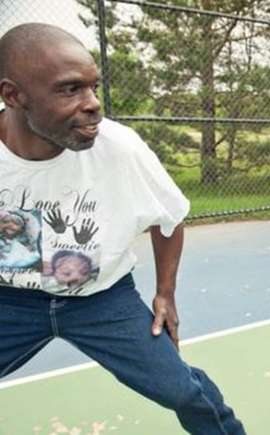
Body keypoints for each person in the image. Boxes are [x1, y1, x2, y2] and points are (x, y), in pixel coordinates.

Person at [0, 23, 245, 434]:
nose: (93, 104)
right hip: (13, 302)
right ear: (13, 95)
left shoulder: (119, 147)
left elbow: (168, 219)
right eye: (69, 89)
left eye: (93, 87)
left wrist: (165, 294)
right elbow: (22, 245)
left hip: (102, 301)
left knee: (184, 391)